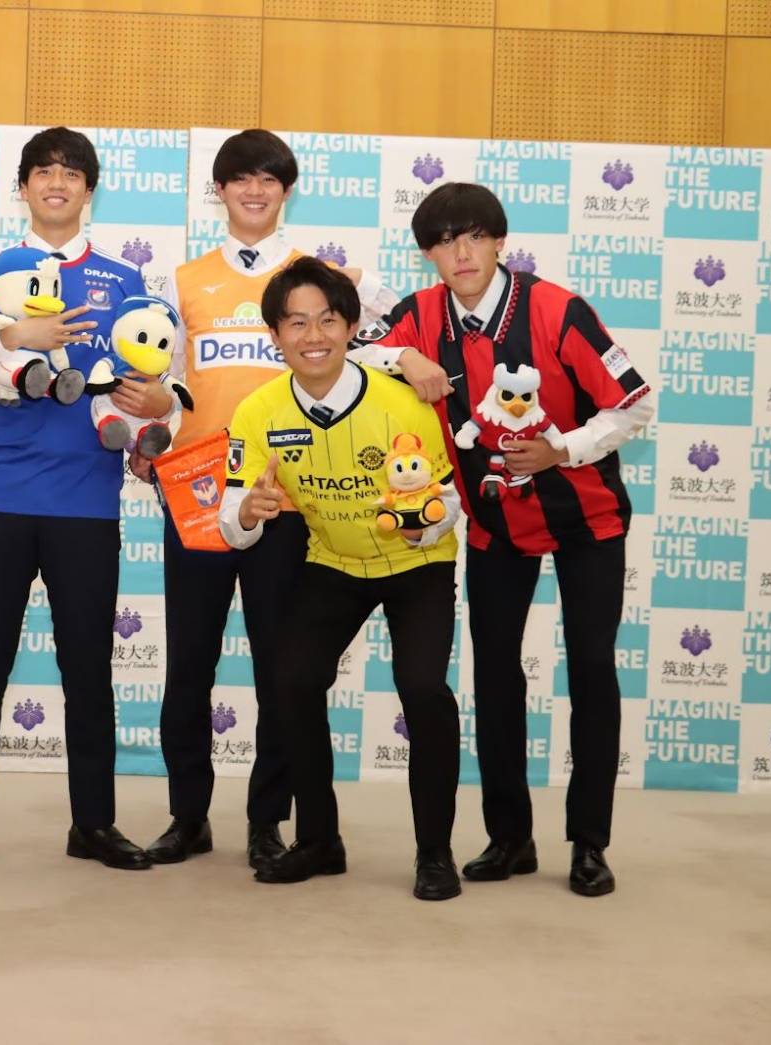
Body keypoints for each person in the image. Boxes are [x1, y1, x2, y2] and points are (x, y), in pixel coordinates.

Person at [353, 183, 654, 897]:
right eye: (443, 242)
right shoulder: (420, 314)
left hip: (586, 519)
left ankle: (588, 843)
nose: (460, 253)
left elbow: (633, 403)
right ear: (427, 255)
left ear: (498, 242)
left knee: (591, 669)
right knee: (493, 675)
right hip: (494, 524)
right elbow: (351, 355)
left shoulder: (557, 310)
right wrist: (404, 359)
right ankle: (510, 837)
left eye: (474, 237)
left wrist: (562, 449)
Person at [135, 130, 399, 871]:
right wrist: (148, 430)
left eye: (269, 179)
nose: (254, 191)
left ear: (287, 191)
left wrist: (386, 322)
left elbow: (384, 336)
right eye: (240, 178)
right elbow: (162, 381)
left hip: (290, 500)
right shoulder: (181, 279)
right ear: (218, 190)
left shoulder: (318, 277)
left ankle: (267, 820)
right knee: (188, 664)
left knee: (282, 669)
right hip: (198, 494)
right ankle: (188, 816)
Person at [0, 127, 174, 872]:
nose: (57, 183)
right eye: (43, 171)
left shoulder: (124, 279)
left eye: (71, 173)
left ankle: (93, 824)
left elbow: (154, 378)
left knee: (88, 670)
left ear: (89, 190)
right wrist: (8, 339)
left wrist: (158, 404)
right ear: (23, 187)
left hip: (86, 501)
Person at [219, 257, 464, 899]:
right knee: (292, 680)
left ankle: (434, 853)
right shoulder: (258, 411)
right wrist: (247, 512)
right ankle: (319, 840)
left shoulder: (401, 400)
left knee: (422, 688)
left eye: (327, 320)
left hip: (418, 565)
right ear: (275, 335)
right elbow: (232, 518)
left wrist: (422, 527)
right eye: (296, 323)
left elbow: (447, 499)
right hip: (334, 563)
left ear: (353, 327)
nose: (313, 336)